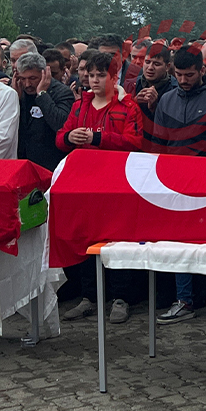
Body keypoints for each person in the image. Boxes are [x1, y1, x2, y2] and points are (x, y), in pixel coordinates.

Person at [57, 49, 145, 324]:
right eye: (90, 75)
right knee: (85, 238)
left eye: (100, 75)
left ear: (113, 76)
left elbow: (134, 143)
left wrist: (98, 137)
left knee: (118, 240)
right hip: (84, 182)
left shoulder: (128, 106)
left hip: (117, 183)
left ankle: (120, 297)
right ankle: (89, 297)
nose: (93, 80)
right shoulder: (78, 106)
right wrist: (70, 136)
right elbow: (60, 139)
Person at [147, 47, 206, 327]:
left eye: (190, 74)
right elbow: (159, 144)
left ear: (202, 71)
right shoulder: (166, 100)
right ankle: (184, 300)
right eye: (179, 74)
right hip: (174, 184)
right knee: (179, 242)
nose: (184, 79)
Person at [15, 52, 75, 171]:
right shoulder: (18, 91)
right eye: (23, 79)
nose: (27, 84)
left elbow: (60, 124)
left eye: (33, 78)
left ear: (45, 74)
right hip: (22, 162)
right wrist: (15, 99)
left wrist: (42, 94)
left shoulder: (62, 92)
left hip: (50, 163)